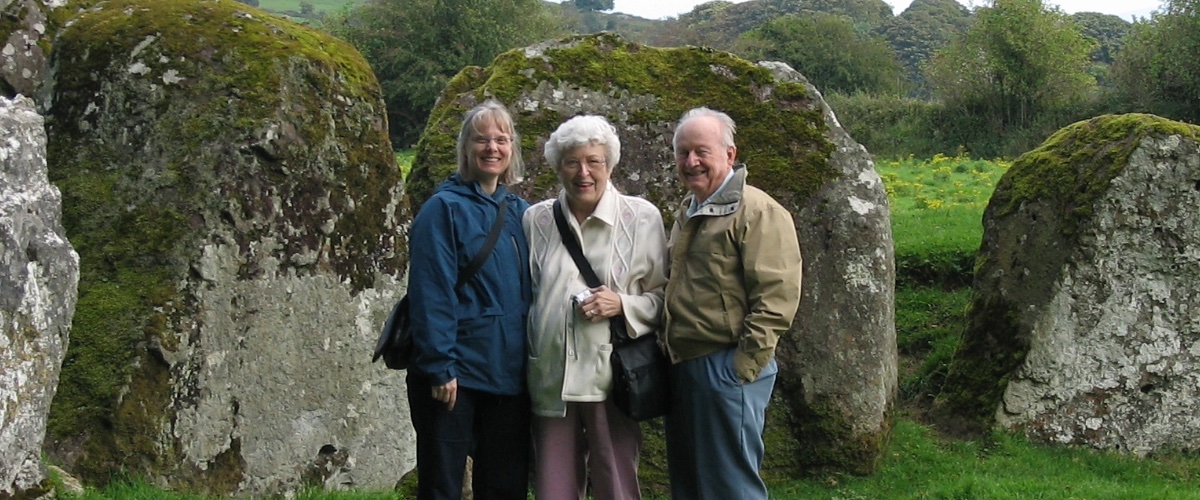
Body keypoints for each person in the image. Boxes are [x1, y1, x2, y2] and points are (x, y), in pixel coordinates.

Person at [523, 115, 668, 500]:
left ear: (610, 165)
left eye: (593, 161)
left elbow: (665, 299)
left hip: (613, 380)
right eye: (572, 162)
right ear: (558, 167)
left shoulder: (642, 218)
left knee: (616, 485)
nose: (583, 172)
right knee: (553, 490)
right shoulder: (536, 220)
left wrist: (622, 303)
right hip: (551, 378)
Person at [662, 107, 803, 499]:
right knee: (690, 487)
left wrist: (743, 367)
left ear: (729, 154)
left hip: (726, 369)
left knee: (731, 488)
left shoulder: (758, 211)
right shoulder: (689, 209)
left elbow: (776, 297)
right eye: (683, 152)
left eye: (701, 151)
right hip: (685, 366)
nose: (691, 161)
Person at [406, 100, 532, 500]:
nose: (492, 147)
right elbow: (431, 293)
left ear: (512, 148)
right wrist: (439, 366)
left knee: (505, 486)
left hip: (508, 375)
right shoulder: (442, 210)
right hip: (455, 375)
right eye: (482, 139)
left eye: (501, 139)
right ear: (465, 147)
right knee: (442, 486)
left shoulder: (521, 213)